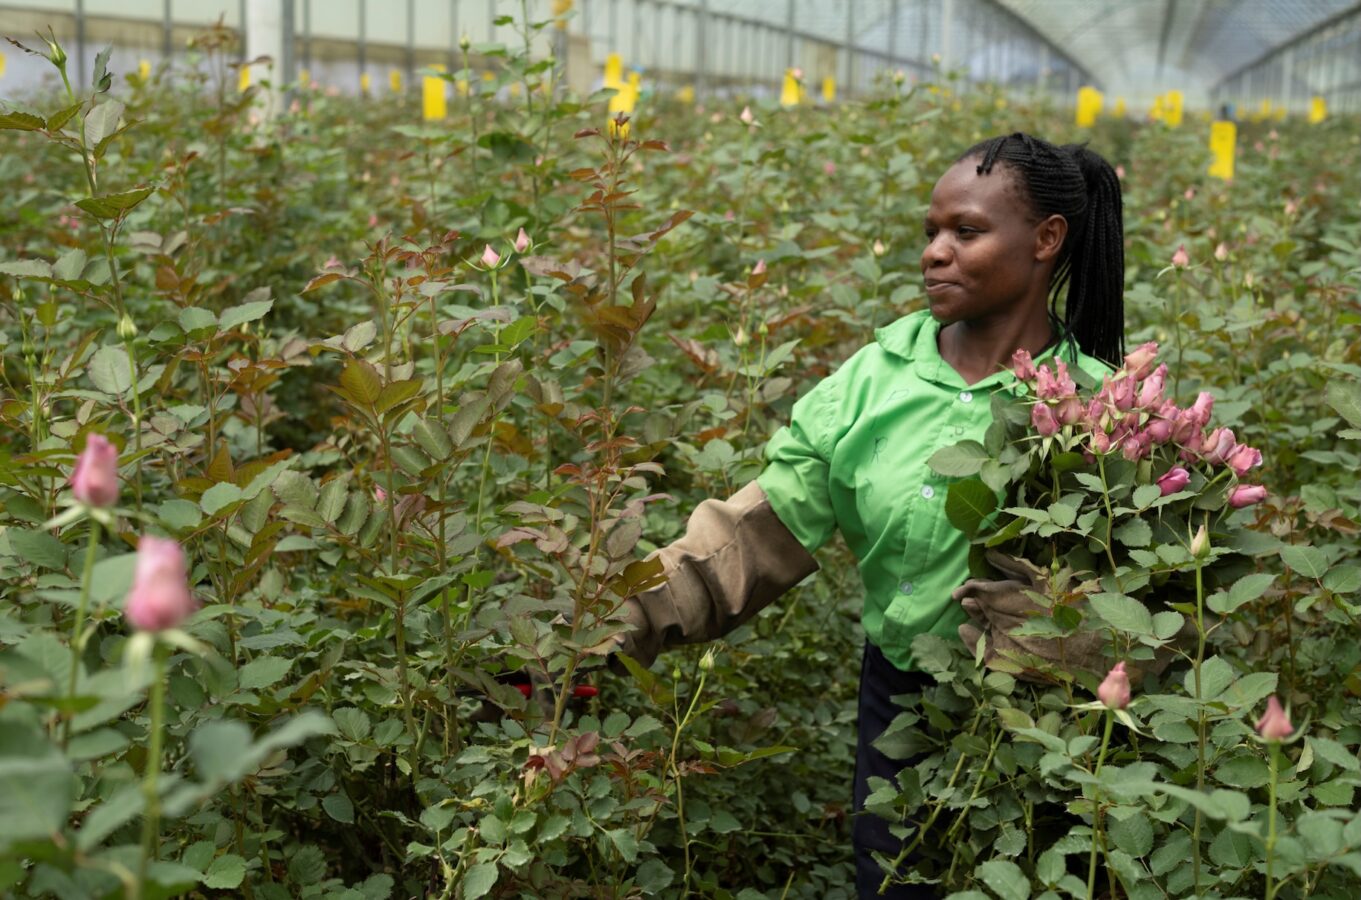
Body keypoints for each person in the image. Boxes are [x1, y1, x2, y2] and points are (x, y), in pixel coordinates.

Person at [615, 132, 1126, 898]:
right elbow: (746, 540)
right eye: (931, 232)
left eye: (966, 231)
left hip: (1045, 721)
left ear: (1045, 239)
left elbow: (1148, 605)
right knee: (893, 882)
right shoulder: (872, 381)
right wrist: (611, 623)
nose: (934, 253)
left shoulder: (1100, 408)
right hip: (899, 701)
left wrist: (1058, 633)